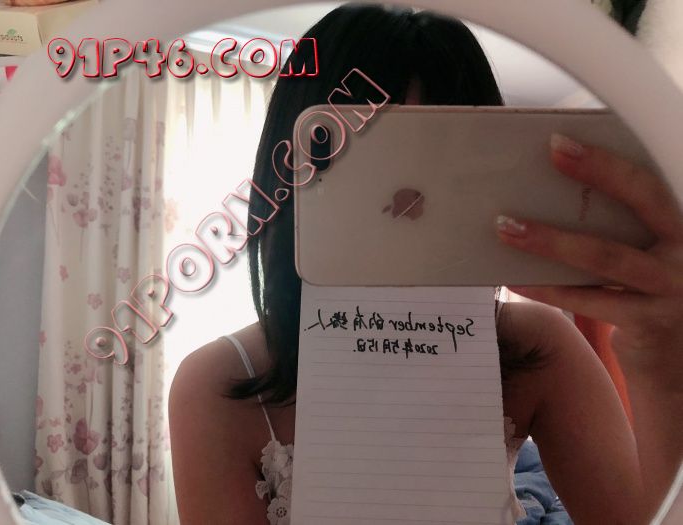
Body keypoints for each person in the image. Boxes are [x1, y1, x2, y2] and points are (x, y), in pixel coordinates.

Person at [168, 4, 683, 525]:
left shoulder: (539, 346)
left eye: (442, 161)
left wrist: (663, 367)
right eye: (368, 156)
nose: (408, 203)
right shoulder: (218, 385)